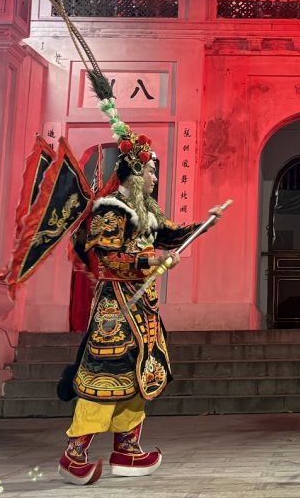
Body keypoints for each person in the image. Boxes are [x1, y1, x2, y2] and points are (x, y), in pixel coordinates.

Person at [58, 130, 221, 485]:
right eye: (150, 172)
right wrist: (150, 264)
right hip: (115, 307)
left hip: (143, 306)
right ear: (133, 172)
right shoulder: (110, 210)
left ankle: (127, 448)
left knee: (140, 373)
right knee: (107, 377)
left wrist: (203, 225)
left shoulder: (144, 211)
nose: (155, 178)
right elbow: (106, 256)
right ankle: (74, 453)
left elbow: (169, 234)